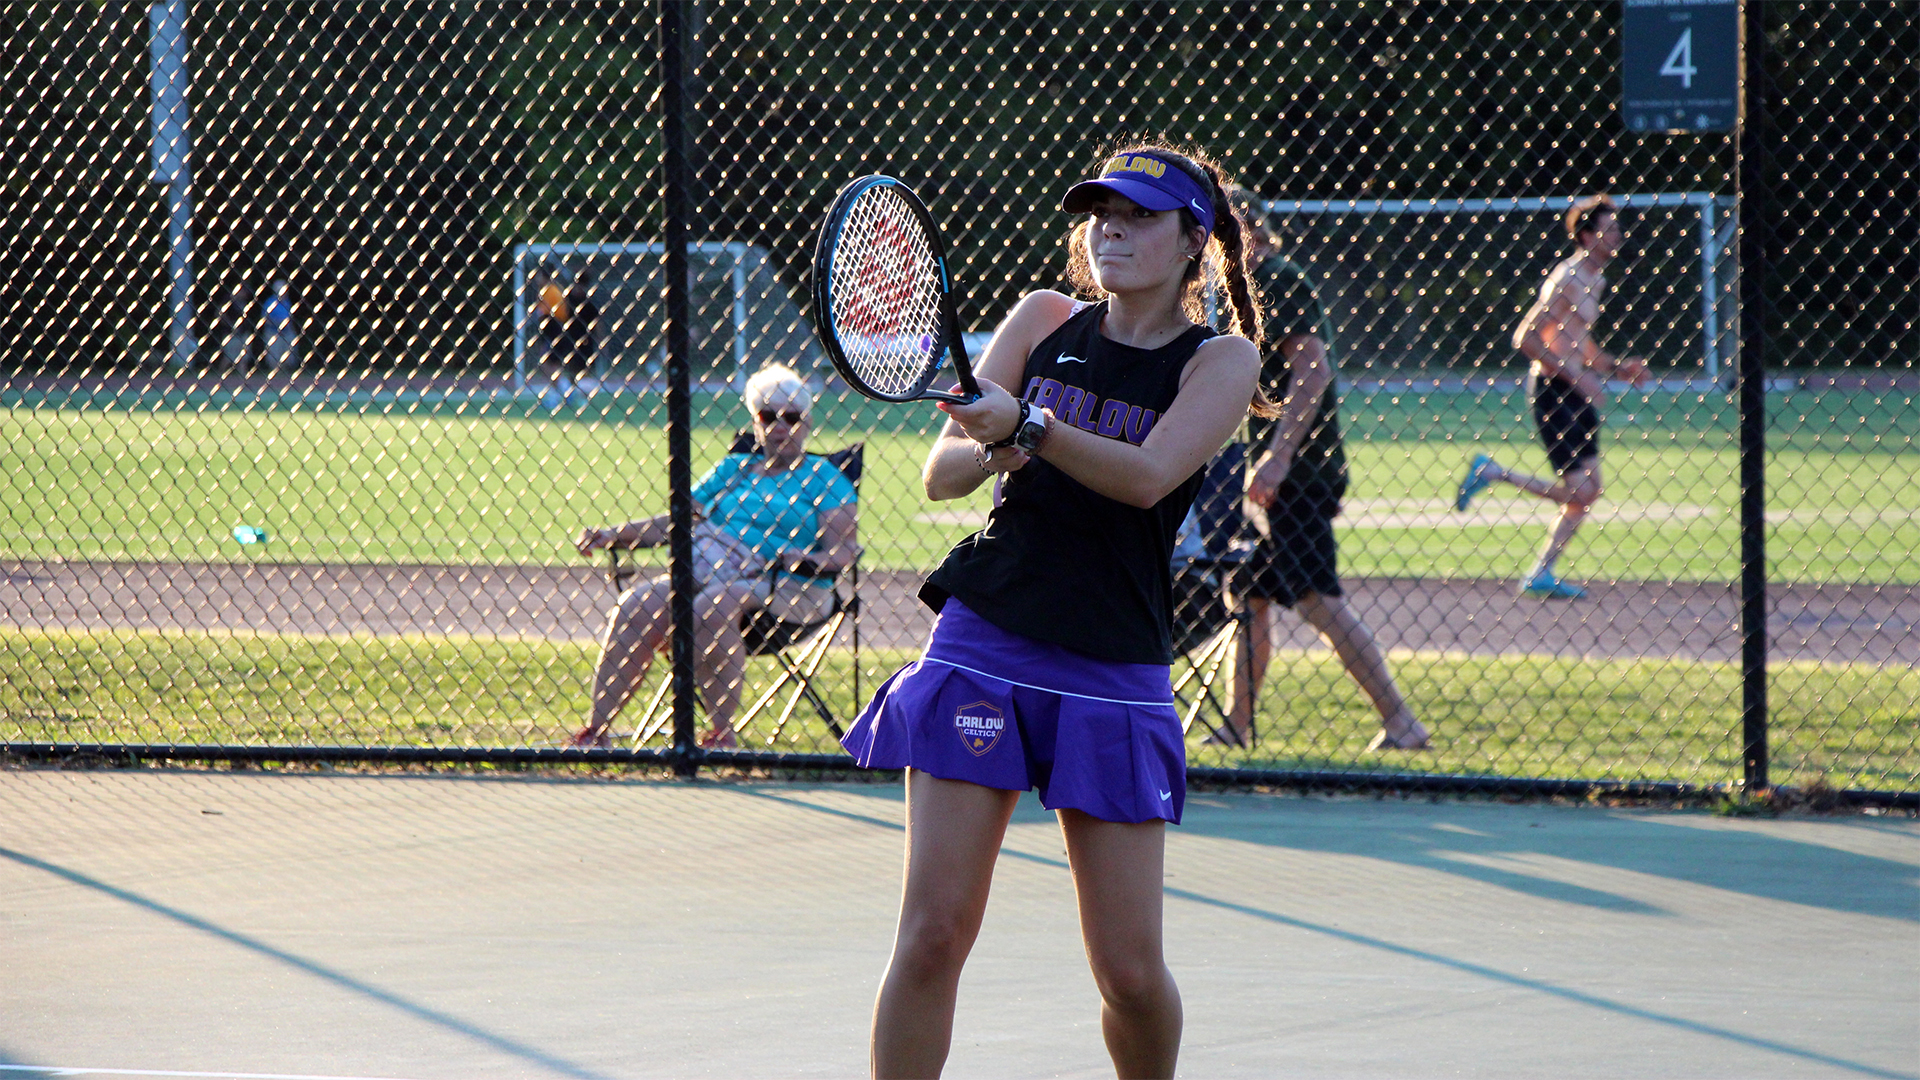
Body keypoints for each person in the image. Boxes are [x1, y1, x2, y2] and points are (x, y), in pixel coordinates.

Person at [840, 145, 1269, 1079]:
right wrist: (997, 442)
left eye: (1141, 215)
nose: (1110, 229)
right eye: (1099, 212)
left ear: (1194, 239)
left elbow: (1151, 476)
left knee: (1128, 971)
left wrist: (1029, 427)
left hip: (1113, 662)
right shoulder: (1042, 319)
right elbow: (942, 471)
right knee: (931, 936)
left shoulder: (1222, 360)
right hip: (984, 636)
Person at [1223, 190, 1430, 753]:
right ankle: (1237, 726)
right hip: (1280, 472)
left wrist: (1279, 456)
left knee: (1317, 598)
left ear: (1245, 227)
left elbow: (1312, 372)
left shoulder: (1277, 278)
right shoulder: (1248, 287)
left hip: (1298, 474)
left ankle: (1402, 722)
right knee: (1251, 596)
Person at [570, 363, 857, 750]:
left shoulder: (825, 477)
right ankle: (596, 731)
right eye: (768, 416)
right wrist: (611, 535)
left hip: (792, 587)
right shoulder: (734, 470)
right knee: (635, 605)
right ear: (755, 423)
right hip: (712, 571)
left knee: (713, 605)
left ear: (806, 423)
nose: (779, 427)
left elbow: (844, 553)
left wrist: (799, 556)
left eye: (791, 417)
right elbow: (675, 521)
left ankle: (721, 735)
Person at [1454, 195, 1651, 599]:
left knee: (1588, 489)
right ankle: (1492, 473)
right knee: (1581, 490)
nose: (1618, 235)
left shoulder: (1595, 280)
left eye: (1617, 228)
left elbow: (1581, 344)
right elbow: (1525, 337)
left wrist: (1617, 368)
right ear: (1586, 235)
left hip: (1574, 391)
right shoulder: (1568, 279)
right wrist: (1576, 381)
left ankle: (1541, 572)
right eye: (1609, 229)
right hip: (1554, 392)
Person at [532, 265, 571, 407]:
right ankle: (564, 389)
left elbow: (559, 314)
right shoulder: (547, 291)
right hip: (550, 331)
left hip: (554, 330)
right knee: (549, 364)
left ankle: (561, 391)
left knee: (548, 364)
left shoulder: (551, 292)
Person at [563, 270, 600, 399]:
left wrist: (600, 340)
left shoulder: (589, 301)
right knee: (571, 367)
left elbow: (597, 322)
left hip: (586, 340)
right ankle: (571, 395)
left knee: (585, 368)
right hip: (570, 338)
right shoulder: (569, 299)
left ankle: (585, 395)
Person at [261, 279, 298, 371]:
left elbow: (289, 318)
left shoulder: (287, 302)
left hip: (287, 332)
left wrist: (292, 329)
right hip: (273, 332)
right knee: (274, 357)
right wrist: (277, 323)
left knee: (288, 356)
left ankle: (283, 375)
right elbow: (265, 319)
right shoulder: (270, 302)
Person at [218, 283, 251, 374]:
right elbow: (221, 315)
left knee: (243, 357)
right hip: (230, 333)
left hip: (242, 332)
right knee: (228, 357)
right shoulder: (228, 301)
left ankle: (243, 376)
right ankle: (220, 374)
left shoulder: (244, 302)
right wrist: (231, 326)